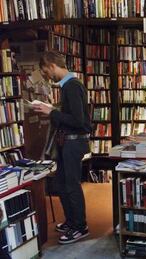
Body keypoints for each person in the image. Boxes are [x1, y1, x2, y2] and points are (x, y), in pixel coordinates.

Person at [33, 51, 91, 244]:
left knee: (71, 184)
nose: (48, 76)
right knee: (61, 183)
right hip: (68, 141)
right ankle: (72, 221)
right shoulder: (68, 86)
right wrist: (54, 110)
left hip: (74, 142)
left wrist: (52, 112)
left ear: (51, 65)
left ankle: (80, 227)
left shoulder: (72, 86)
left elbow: (78, 120)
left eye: (46, 72)